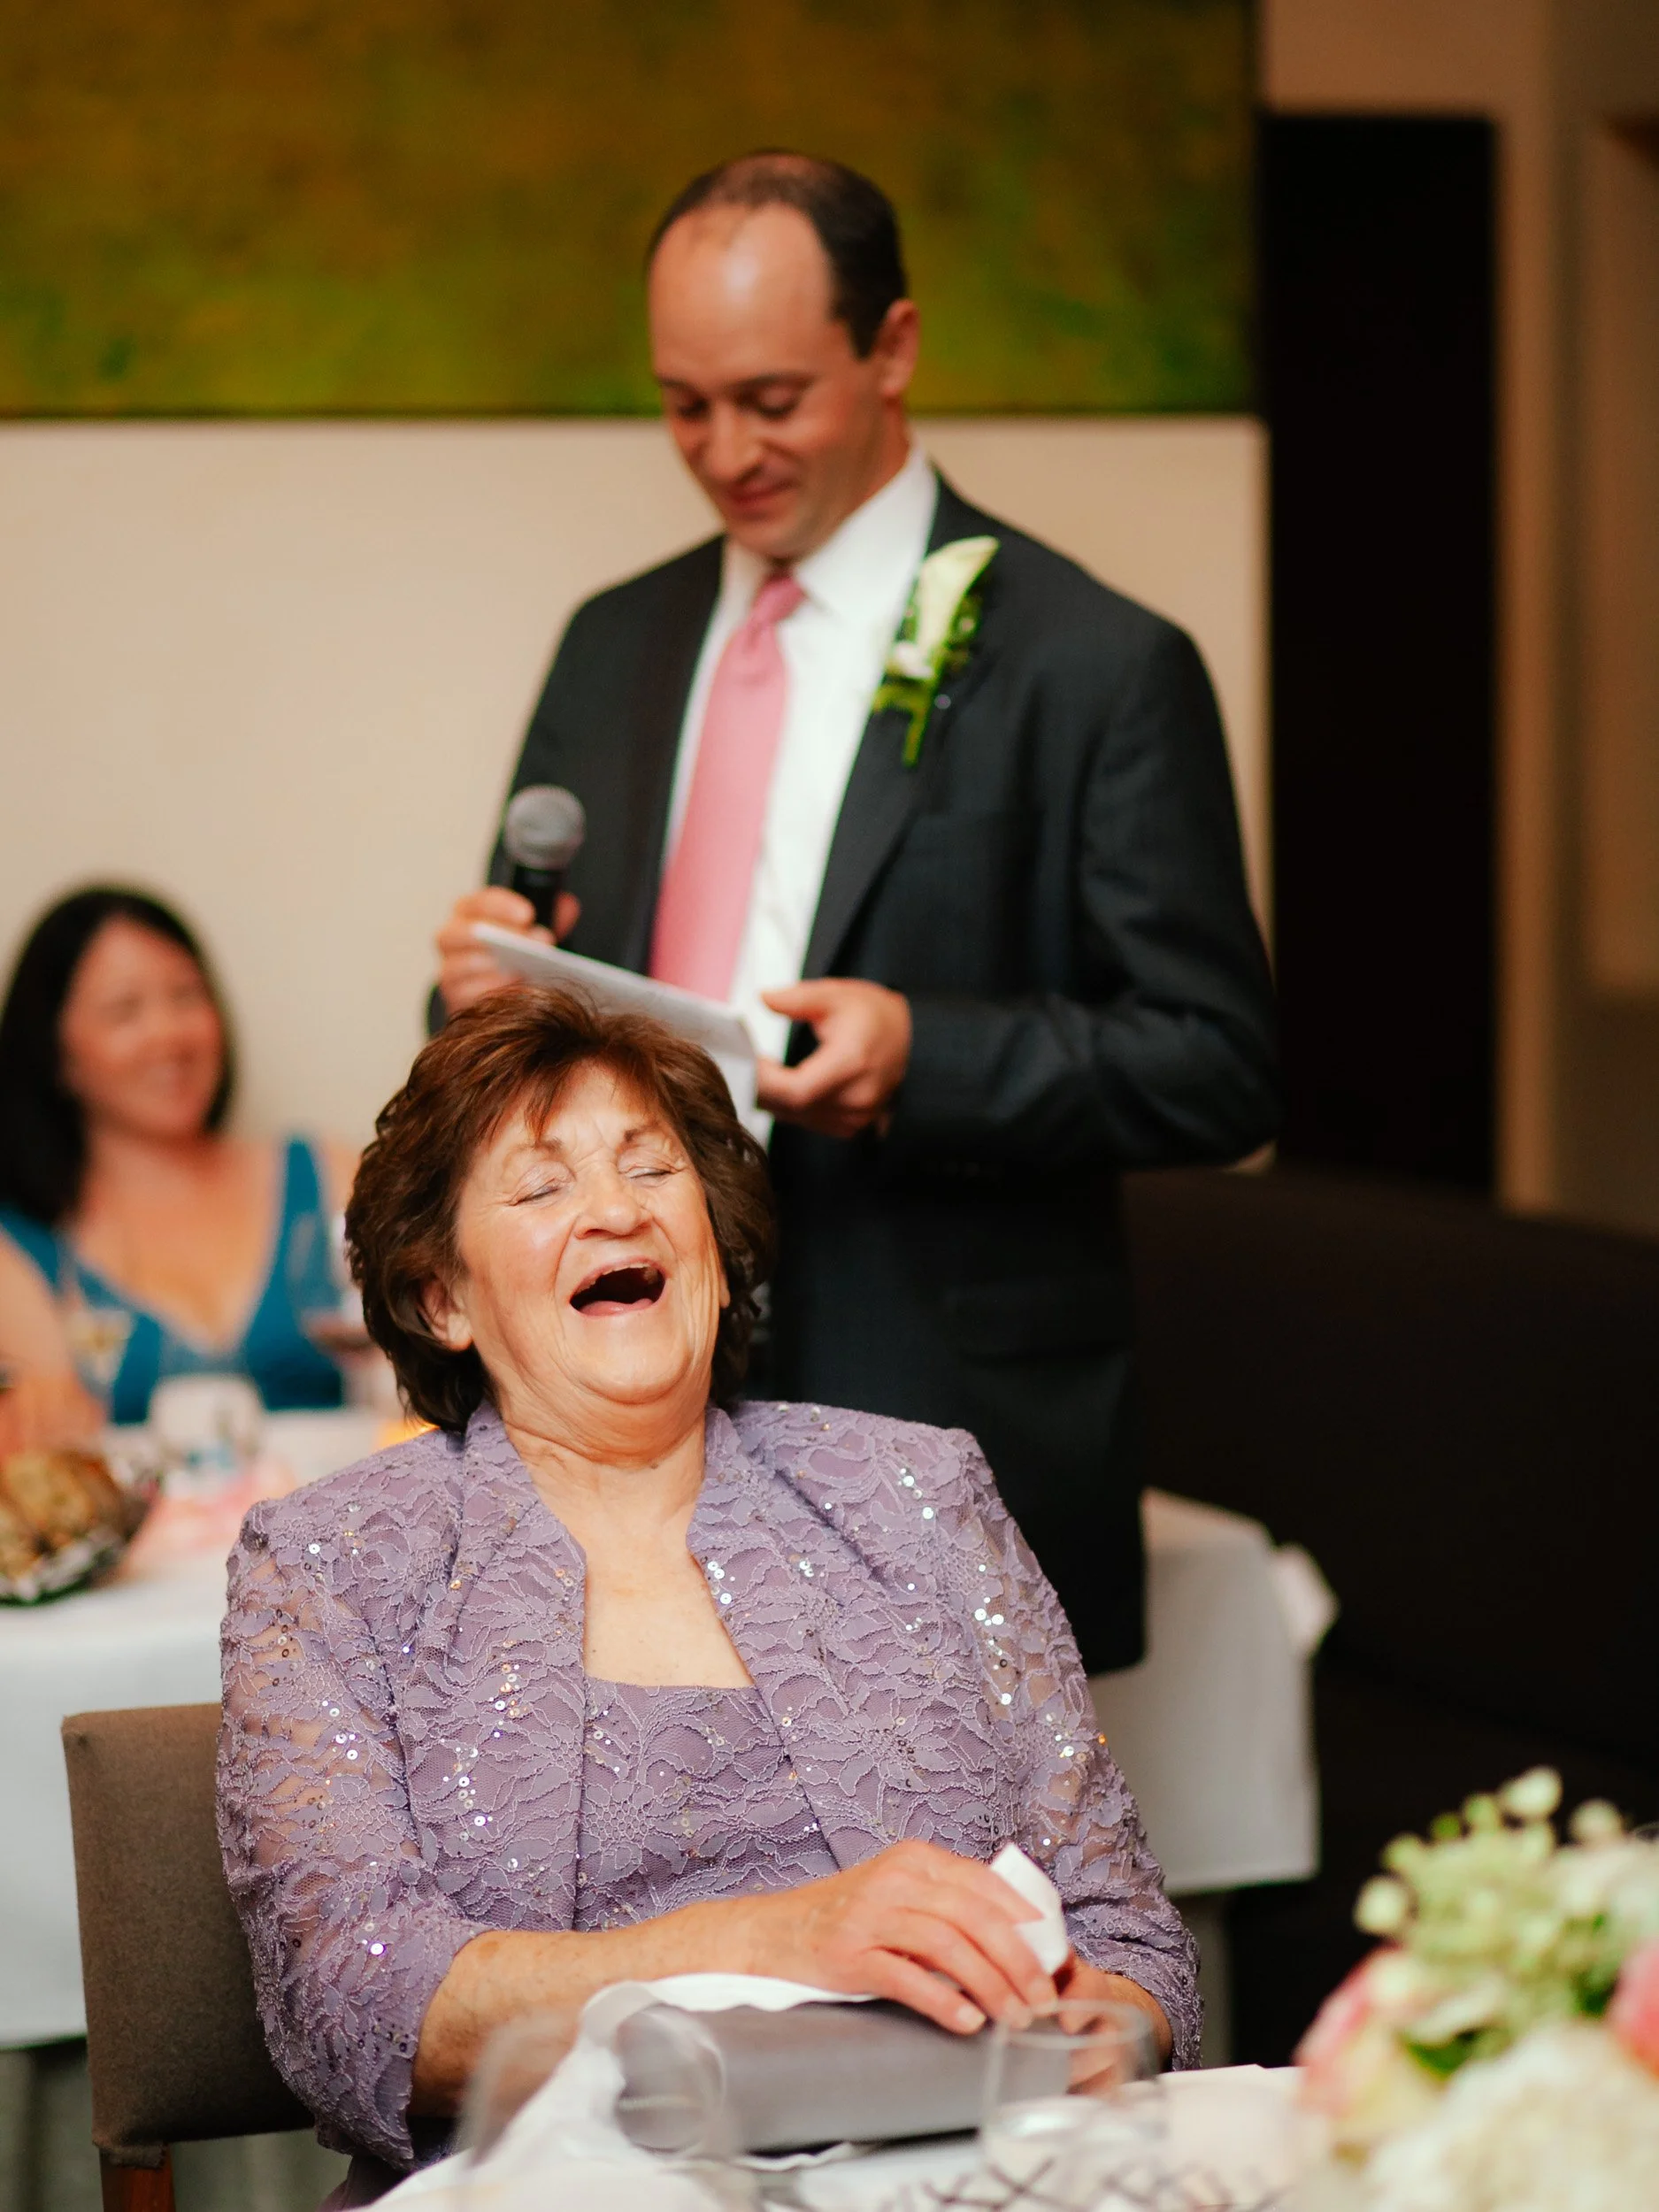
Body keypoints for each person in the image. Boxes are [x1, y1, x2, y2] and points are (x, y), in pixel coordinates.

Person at [435, 153, 1279, 1673]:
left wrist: (921, 1060)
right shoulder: (614, 643)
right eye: (685, 405)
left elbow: (1215, 1064)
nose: (725, 451)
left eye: (771, 399)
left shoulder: (1092, 664)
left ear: (891, 348)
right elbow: (543, 972)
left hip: (936, 1408)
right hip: (622, 1406)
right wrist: (485, 997)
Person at [218, 988, 1196, 2193]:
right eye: (541, 1187)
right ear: (443, 1299)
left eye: (651, 1169)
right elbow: (349, 2004)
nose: (616, 1209)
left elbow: (1132, 1941)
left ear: (717, 1254)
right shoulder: (332, 1560)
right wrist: (774, 1943)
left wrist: (1088, 2033)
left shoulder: (917, 1491)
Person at [0, 887, 355, 1440]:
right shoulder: (21, 1249)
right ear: (55, 1054)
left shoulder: (328, 1175)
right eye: (124, 1010)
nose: (169, 1034)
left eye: (186, 996)